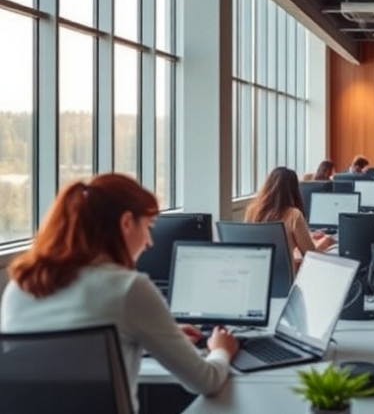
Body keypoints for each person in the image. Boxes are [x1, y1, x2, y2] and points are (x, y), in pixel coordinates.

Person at [1, 174, 237, 411]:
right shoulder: (128, 288)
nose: (149, 242)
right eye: (148, 227)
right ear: (126, 223)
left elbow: (58, 363)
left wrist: (156, 339)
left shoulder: (18, 288)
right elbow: (206, 381)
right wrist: (221, 349)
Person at [245, 167, 334, 269]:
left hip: (257, 272)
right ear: (294, 189)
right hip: (286, 275)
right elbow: (310, 255)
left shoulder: (252, 211)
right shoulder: (294, 215)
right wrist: (324, 242)